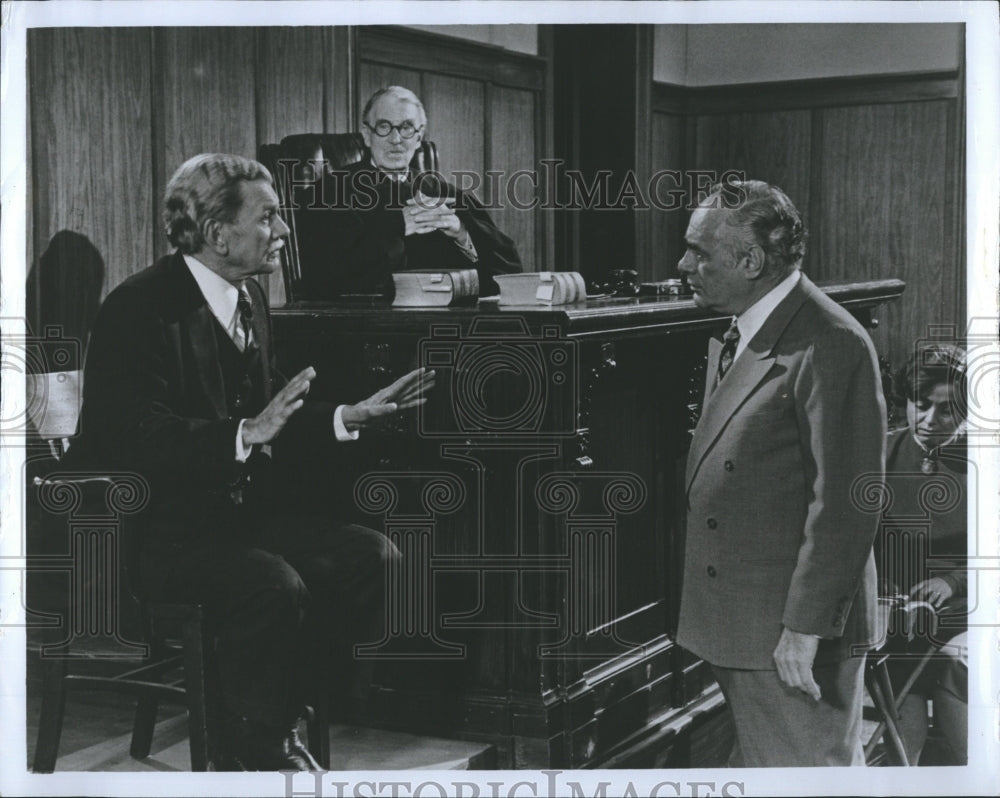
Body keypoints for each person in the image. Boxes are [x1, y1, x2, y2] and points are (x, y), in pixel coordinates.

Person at [63, 153, 435, 771]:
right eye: (269, 218)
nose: (284, 232)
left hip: (233, 520)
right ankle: (255, 750)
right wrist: (241, 433)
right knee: (272, 584)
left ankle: (281, 712)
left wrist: (350, 416)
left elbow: (277, 409)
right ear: (217, 233)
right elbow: (134, 436)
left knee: (372, 558)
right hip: (155, 534)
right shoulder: (139, 308)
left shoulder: (250, 298)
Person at [675, 180, 886, 767]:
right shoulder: (751, 324)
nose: (683, 264)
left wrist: (804, 629)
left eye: (699, 252)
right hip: (742, 622)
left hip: (788, 633)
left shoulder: (830, 339)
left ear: (750, 260)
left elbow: (847, 503)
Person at [295, 85, 522, 299]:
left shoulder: (442, 192)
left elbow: (509, 273)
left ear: (419, 136)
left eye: (406, 128)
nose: (396, 140)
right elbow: (323, 281)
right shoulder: (328, 193)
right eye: (384, 127)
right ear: (367, 134)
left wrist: (462, 235)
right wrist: (398, 225)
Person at [876, 344, 968, 765]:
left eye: (946, 409)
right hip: (902, 612)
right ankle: (905, 779)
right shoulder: (882, 455)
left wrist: (951, 582)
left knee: (953, 666)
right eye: (920, 405)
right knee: (900, 674)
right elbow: (862, 540)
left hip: (967, 610)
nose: (930, 420)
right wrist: (885, 586)